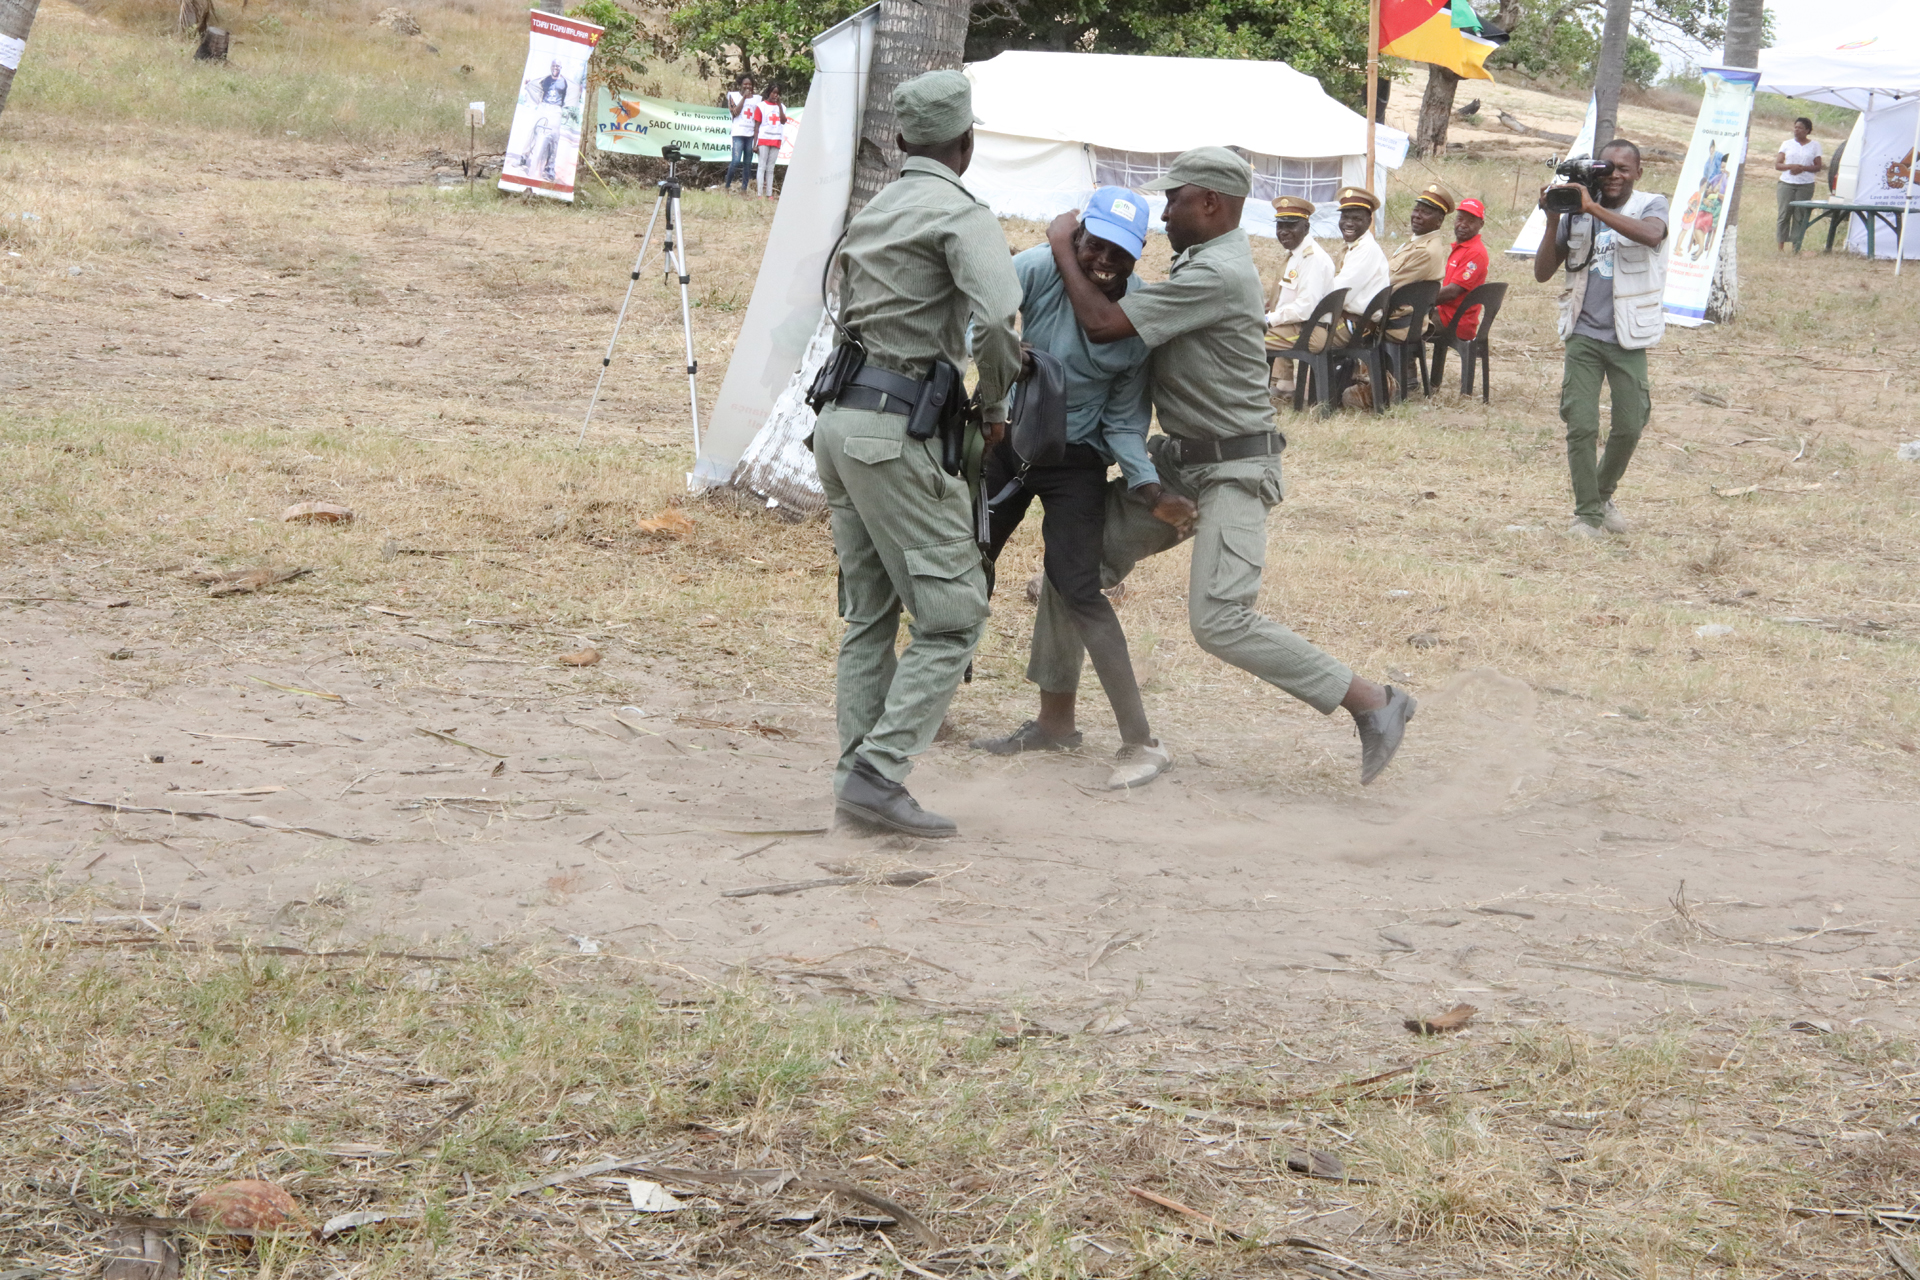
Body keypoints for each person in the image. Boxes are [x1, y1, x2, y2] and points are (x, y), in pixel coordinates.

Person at [1025, 146, 1418, 787]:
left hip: (1235, 469)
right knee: (1075, 565)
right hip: (1184, 461)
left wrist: (1062, 244)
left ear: (1209, 202)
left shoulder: (1217, 273)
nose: (1164, 214)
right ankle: (1054, 721)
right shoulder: (1199, 262)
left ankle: (1374, 701)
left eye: (1173, 200)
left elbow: (1101, 323)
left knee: (1220, 621)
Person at [810, 69, 1024, 838]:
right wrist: (994, 406)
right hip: (895, 435)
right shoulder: (961, 213)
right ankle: (878, 775)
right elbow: (997, 322)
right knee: (953, 618)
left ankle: (855, 780)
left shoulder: (875, 211)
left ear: (902, 140)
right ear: (966, 143)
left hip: (838, 426)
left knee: (870, 617)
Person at [967, 188, 1173, 791]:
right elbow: (983, 317)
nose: (1106, 261)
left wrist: (1145, 481)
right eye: (1095, 246)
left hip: (1077, 461)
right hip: (1007, 442)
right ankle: (927, 706)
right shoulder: (1037, 267)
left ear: (1138, 255)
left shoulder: (1137, 314)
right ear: (1077, 236)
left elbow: (1125, 419)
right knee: (965, 562)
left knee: (1079, 588)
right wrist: (1006, 359)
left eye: (1121, 254)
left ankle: (1139, 738)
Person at [1532, 138, 1669, 538]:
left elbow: (1652, 236)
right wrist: (1553, 219)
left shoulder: (1650, 204)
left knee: (1630, 425)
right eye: (1606, 168)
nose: (1614, 176)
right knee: (1581, 425)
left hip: (1628, 335)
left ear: (1638, 172)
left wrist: (1592, 208)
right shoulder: (1575, 211)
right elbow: (1542, 272)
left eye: (1624, 169)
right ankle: (1587, 515)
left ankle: (1602, 494)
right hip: (1583, 333)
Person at [1263, 195, 1336, 394]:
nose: (1283, 232)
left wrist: (1269, 319)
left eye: (1291, 226)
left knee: (1247, 338)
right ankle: (1282, 384)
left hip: (1310, 332)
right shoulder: (1297, 254)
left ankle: (1248, 395)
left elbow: (1305, 308)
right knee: (1252, 327)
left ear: (1306, 227)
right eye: (1280, 226)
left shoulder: (1312, 259)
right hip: (1300, 327)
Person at [1383, 181, 1453, 340]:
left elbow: (1388, 288)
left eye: (1426, 212)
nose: (1417, 216)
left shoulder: (1425, 251)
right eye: (1416, 209)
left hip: (1396, 323)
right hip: (1393, 317)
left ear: (1439, 220)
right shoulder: (1418, 241)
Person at [1326, 186, 1389, 347]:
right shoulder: (1354, 246)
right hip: (1345, 319)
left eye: (1356, 219)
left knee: (1286, 335)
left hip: (1354, 326)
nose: (1348, 223)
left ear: (1369, 221)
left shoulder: (1366, 250)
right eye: (1345, 217)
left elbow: (1338, 294)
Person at [1431, 196, 1489, 341]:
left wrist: (1420, 302)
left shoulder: (1475, 253)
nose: (1463, 224)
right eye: (1460, 219)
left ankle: (1408, 358)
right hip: (1445, 314)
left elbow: (1452, 292)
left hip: (1455, 321)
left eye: (1470, 221)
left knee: (1403, 323)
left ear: (1481, 224)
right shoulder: (1462, 248)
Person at [1776, 116, 1823, 250]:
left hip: (1805, 185)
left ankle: (1796, 246)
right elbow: (1778, 165)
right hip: (1786, 183)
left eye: (1800, 128)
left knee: (1800, 215)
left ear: (1807, 130)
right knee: (1784, 214)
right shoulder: (1787, 144)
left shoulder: (1815, 146)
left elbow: (1818, 166)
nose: (1796, 130)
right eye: (1795, 127)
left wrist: (1802, 168)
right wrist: (1791, 167)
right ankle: (1780, 246)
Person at [723, 75, 760, 194]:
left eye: (750, 84)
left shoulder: (757, 99)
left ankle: (744, 189)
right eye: (745, 84)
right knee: (736, 160)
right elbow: (735, 113)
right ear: (740, 85)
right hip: (738, 133)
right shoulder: (733, 96)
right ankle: (727, 186)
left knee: (747, 163)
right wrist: (744, 97)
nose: (747, 86)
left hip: (750, 135)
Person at [753, 85, 787, 198]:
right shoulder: (761, 106)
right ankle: (759, 194)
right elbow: (756, 126)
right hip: (763, 139)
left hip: (776, 139)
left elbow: (783, 121)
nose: (775, 95)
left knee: (771, 168)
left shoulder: (782, 107)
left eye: (777, 93)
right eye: (773, 92)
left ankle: (769, 194)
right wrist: (755, 144)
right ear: (769, 92)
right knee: (762, 166)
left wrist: (779, 106)